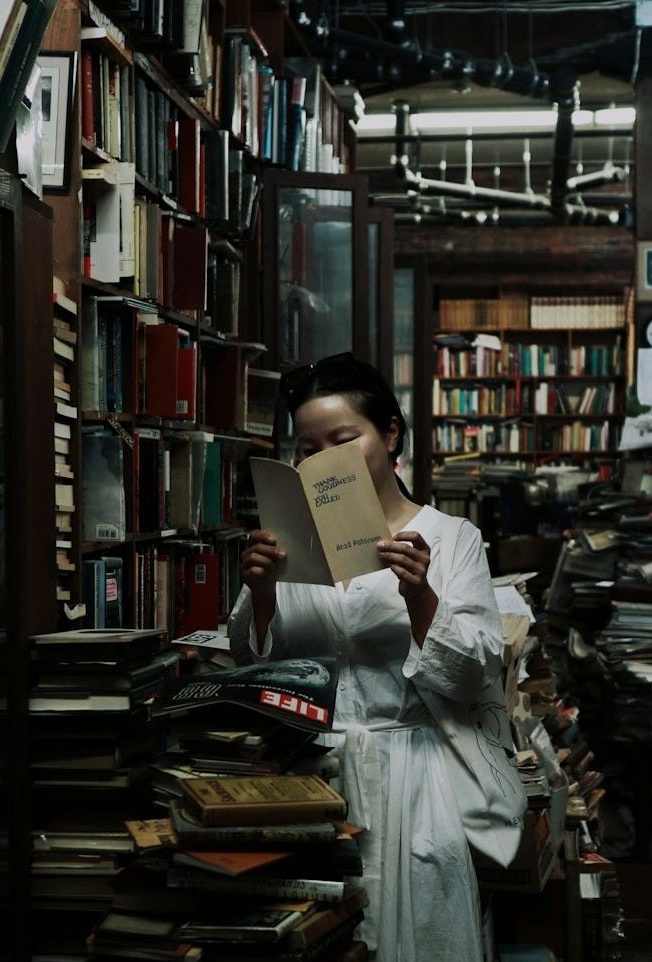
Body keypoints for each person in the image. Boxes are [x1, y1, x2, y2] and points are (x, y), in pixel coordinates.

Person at [228, 352, 521, 962]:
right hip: (309, 782)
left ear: (389, 435)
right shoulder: (289, 538)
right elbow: (250, 672)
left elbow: (476, 675)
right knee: (321, 941)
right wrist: (259, 593)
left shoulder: (450, 539)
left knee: (421, 936)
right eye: (309, 449)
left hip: (415, 778)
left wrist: (420, 595)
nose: (325, 460)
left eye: (344, 439)